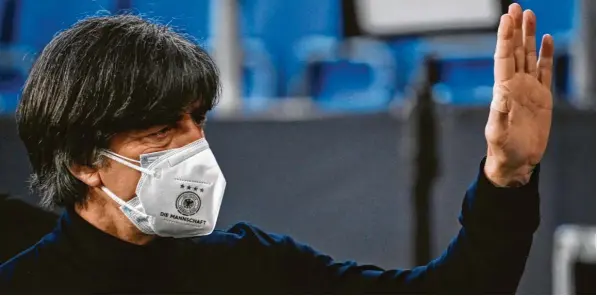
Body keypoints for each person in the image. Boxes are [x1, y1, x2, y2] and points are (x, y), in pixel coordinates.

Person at [0, 3, 554, 294]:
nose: (195, 143)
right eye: (160, 128)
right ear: (82, 161)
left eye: (197, 119)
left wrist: (506, 174)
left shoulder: (250, 267)